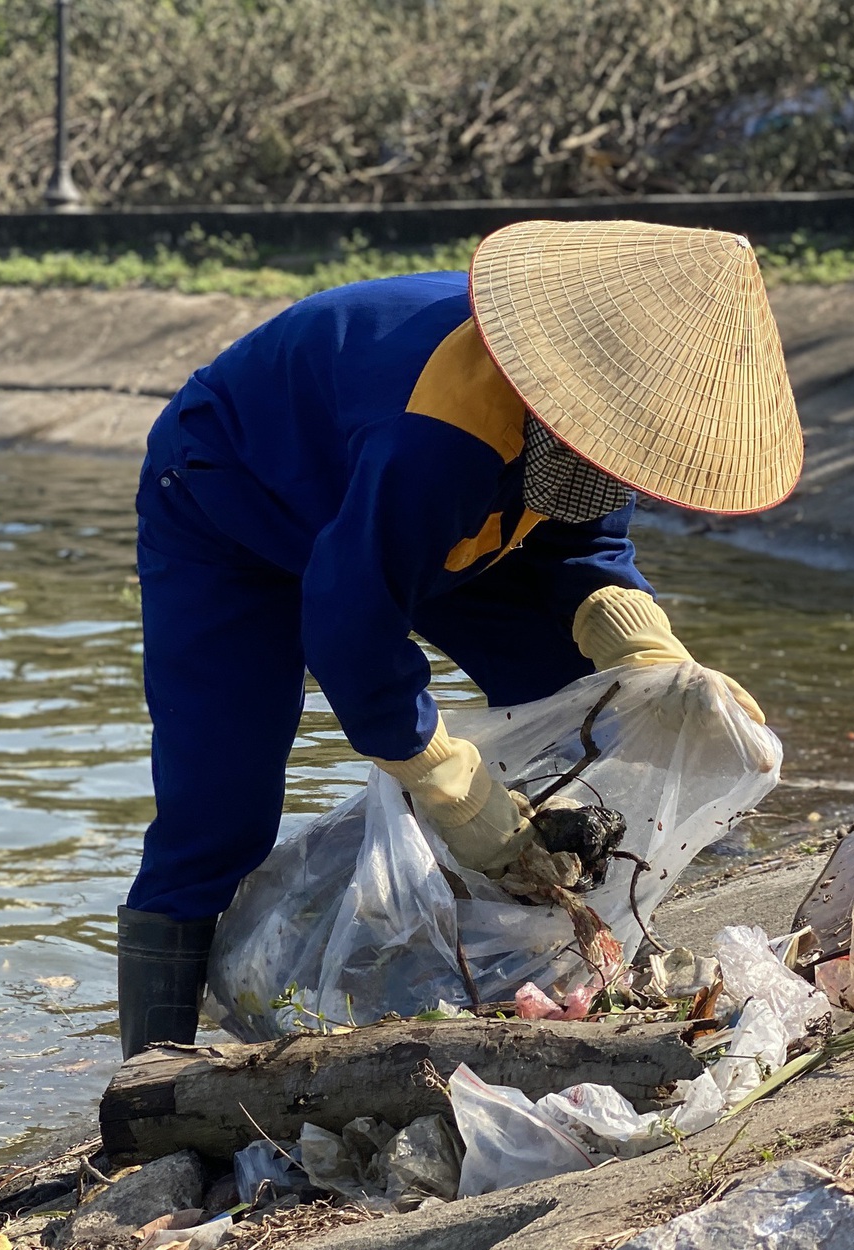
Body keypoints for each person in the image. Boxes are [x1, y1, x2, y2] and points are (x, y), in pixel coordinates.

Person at [118, 219, 801, 1058]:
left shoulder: (613, 418)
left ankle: (550, 943)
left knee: (578, 700)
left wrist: (658, 668)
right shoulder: (441, 429)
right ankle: (148, 1083)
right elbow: (352, 624)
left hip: (437, 523)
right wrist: (456, 791)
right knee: (219, 805)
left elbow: (584, 554)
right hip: (231, 503)